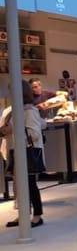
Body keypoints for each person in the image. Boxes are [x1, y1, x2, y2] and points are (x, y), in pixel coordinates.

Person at [1, 81, 45, 227]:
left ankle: (37, 215)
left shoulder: (29, 111)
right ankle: (23, 213)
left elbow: (34, 134)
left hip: (26, 152)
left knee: (30, 184)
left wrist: (13, 130)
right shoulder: (16, 110)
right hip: (17, 151)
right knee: (20, 184)